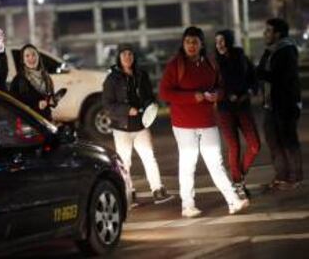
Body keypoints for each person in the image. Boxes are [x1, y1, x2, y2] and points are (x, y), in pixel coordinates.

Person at [159, 26, 249, 218]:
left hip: (208, 121)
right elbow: (165, 93)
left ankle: (233, 201)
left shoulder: (210, 63)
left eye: (195, 42)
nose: (191, 46)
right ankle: (188, 205)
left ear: (202, 44)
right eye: (187, 42)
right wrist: (194, 97)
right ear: (183, 44)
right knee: (188, 163)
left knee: (216, 162)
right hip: (183, 124)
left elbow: (221, 87)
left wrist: (217, 94)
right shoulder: (175, 65)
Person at [102, 44, 172, 204]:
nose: (127, 57)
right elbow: (107, 105)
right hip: (122, 127)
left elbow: (148, 95)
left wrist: (150, 105)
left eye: (130, 54)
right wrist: (127, 110)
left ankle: (158, 190)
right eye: (124, 54)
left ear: (134, 57)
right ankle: (128, 193)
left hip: (141, 125)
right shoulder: (112, 79)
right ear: (119, 58)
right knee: (125, 162)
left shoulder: (141, 75)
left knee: (149, 157)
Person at [256, 18, 302, 190]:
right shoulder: (271, 51)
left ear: (278, 33)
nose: (264, 34)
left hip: (285, 104)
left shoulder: (287, 50)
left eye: (268, 31)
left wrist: (261, 73)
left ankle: (295, 177)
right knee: (274, 142)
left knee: (288, 142)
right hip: (270, 105)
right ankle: (282, 176)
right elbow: (262, 72)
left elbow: (282, 78)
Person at [214, 29, 261, 199]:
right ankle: (238, 183)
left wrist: (249, 90)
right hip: (225, 110)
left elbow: (253, 78)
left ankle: (238, 178)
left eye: (222, 40)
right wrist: (226, 94)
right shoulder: (214, 62)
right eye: (217, 41)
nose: (219, 44)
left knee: (255, 145)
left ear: (229, 41)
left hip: (243, 107)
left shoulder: (241, 57)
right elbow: (212, 86)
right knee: (234, 146)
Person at [10, 44, 55, 120]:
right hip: (29, 122)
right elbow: (13, 103)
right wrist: (36, 105)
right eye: (27, 56)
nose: (31, 58)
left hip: (46, 120)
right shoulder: (19, 79)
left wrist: (52, 101)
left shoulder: (46, 77)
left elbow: (51, 97)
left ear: (38, 57)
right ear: (23, 60)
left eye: (34, 55)